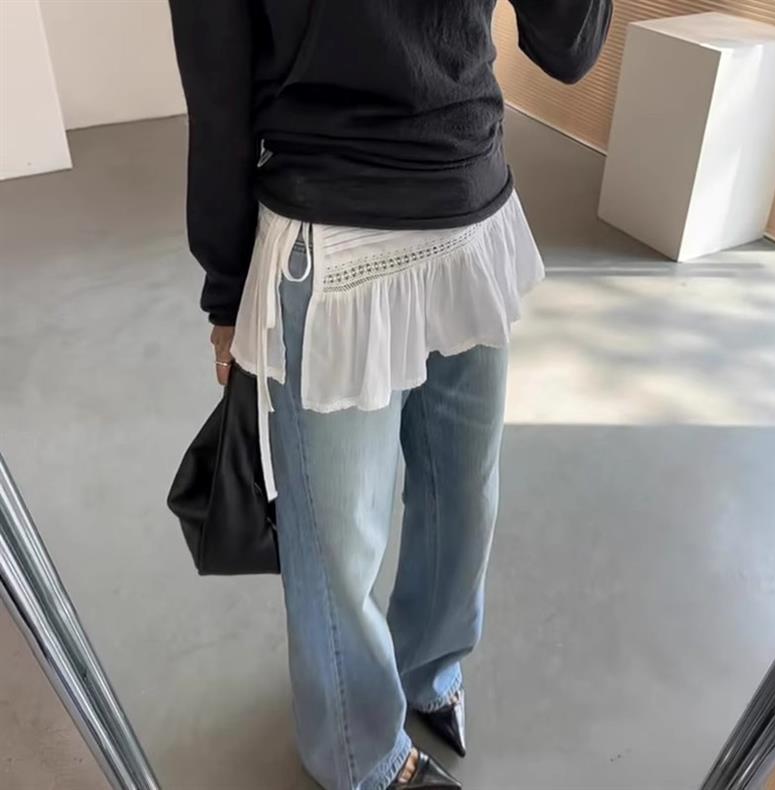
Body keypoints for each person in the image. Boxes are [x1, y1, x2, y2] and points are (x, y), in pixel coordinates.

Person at [167, 1, 611, 787]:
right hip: (334, 232)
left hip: (471, 211)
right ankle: (358, 754)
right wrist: (228, 290)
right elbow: (217, 80)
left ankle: (428, 671)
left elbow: (569, 48)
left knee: (463, 499)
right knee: (336, 542)